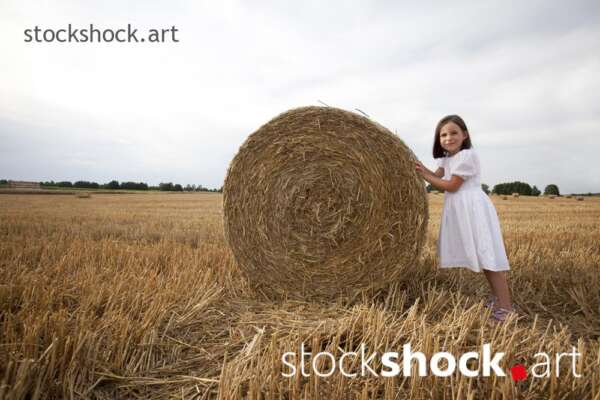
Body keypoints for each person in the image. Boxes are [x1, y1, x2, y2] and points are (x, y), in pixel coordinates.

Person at [415, 115, 514, 322]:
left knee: (489, 258)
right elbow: (435, 176)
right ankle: (498, 300)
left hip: (473, 209)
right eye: (443, 134)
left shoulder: (468, 156)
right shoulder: (446, 159)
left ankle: (506, 309)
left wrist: (424, 173)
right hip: (460, 210)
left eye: (453, 133)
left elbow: (450, 185)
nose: (448, 137)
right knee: (482, 256)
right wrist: (415, 168)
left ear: (464, 135)